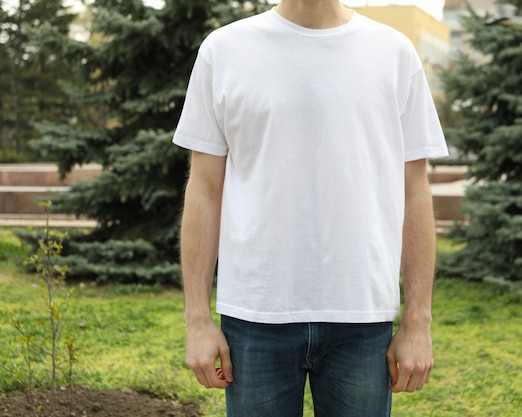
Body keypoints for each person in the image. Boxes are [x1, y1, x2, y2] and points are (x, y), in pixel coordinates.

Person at [173, 0, 448, 415]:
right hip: (255, 317)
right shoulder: (224, 49)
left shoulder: (394, 52)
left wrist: (417, 322)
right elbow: (204, 190)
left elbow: (415, 192)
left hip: (362, 316)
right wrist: (197, 319)